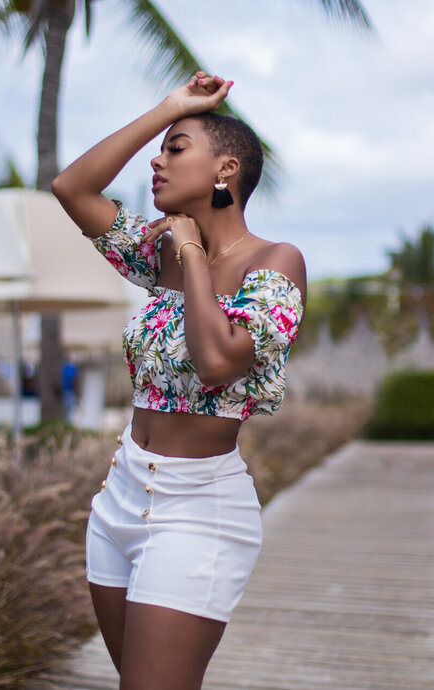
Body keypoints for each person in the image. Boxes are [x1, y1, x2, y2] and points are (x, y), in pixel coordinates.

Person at [51, 71, 307, 690]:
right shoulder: (157, 253)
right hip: (119, 497)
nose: (156, 160)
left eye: (176, 147)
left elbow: (217, 362)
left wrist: (191, 251)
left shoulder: (276, 262)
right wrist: (171, 107)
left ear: (226, 170)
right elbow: (71, 187)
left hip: (198, 510)